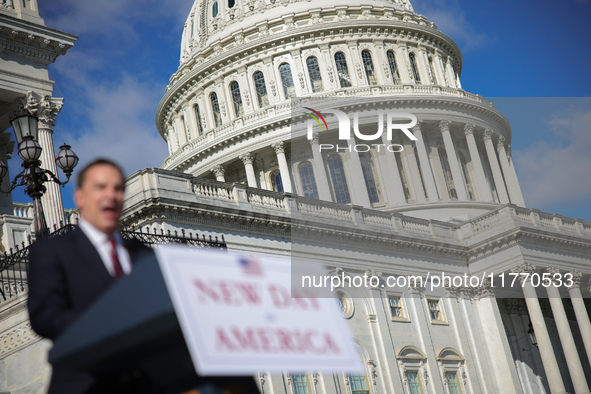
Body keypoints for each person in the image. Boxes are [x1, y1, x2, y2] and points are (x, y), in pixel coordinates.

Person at [27, 159, 156, 394]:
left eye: (118, 188)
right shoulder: (52, 250)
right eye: (100, 187)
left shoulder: (142, 253)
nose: (111, 195)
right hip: (86, 385)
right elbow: (45, 316)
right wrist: (112, 326)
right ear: (79, 197)